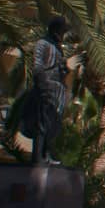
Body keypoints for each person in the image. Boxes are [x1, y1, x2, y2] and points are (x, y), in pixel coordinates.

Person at [28, 17, 69, 165]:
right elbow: (37, 65)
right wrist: (42, 84)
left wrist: (64, 70)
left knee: (52, 123)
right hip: (45, 88)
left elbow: (61, 69)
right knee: (42, 124)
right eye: (61, 30)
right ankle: (38, 156)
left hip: (57, 90)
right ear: (54, 29)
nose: (62, 34)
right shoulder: (42, 44)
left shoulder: (58, 48)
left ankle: (46, 154)